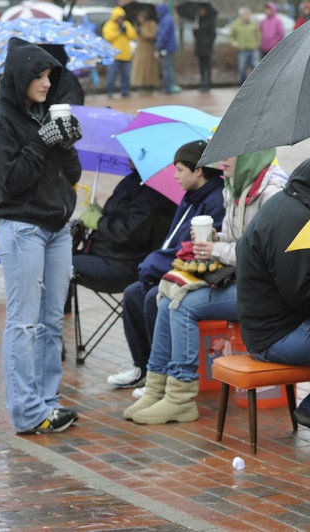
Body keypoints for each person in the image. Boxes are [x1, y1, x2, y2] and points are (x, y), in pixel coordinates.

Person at [123, 148, 288, 424]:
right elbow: (238, 238)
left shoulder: (271, 193)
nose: (222, 161)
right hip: (239, 279)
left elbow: (259, 256)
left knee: (181, 305)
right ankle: (156, 388)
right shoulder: (235, 186)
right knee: (167, 294)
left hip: (263, 291)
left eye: (230, 154)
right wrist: (216, 236)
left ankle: (180, 397)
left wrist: (215, 248)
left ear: (248, 155)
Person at [0, 37, 83, 434]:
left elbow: (69, 176)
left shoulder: (44, 116)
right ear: (19, 78)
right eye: (37, 75)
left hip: (57, 229)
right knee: (23, 322)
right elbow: (13, 181)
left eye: (49, 76)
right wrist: (42, 142)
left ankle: (47, 402)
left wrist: (67, 142)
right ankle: (26, 411)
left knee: (51, 322)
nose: (45, 82)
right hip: (22, 228)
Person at [235, 152, 310, 435]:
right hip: (277, 335)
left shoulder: (292, 204)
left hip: (276, 326)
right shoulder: (294, 220)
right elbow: (305, 293)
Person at [108, 141, 224, 390]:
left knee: (152, 297)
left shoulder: (215, 200)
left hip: (202, 273)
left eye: (180, 169)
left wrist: (153, 264)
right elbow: (173, 241)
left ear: (198, 171)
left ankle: (162, 373)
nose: (175, 175)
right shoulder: (191, 197)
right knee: (132, 294)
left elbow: (192, 249)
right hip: (174, 267)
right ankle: (144, 367)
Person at [72, 165, 176, 293]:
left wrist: (99, 222)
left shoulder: (151, 190)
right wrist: (102, 213)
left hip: (121, 265)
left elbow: (132, 231)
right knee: (58, 255)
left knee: (58, 264)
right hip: (106, 253)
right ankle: (61, 312)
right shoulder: (135, 179)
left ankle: (60, 313)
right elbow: (124, 215)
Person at [102, 6, 137, 98]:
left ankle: (125, 91)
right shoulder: (109, 25)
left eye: (122, 17)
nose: (120, 19)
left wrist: (126, 31)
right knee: (112, 74)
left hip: (126, 55)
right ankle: (110, 92)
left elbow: (133, 35)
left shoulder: (126, 24)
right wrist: (118, 32)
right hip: (114, 55)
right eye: (119, 17)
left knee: (126, 75)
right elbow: (107, 37)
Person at [131, 10, 159, 94]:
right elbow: (134, 36)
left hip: (148, 49)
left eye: (141, 17)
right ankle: (140, 84)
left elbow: (152, 35)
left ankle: (149, 84)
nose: (140, 19)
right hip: (140, 49)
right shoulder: (138, 25)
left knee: (149, 68)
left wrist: (142, 33)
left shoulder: (151, 24)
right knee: (140, 68)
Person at [230, 7, 260, 86]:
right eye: (246, 14)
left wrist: (257, 43)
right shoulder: (236, 24)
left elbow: (258, 34)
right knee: (242, 69)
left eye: (249, 14)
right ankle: (242, 86)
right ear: (242, 15)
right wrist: (233, 42)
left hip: (253, 49)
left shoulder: (253, 23)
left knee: (256, 67)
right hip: (242, 50)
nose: (248, 16)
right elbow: (231, 36)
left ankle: (256, 85)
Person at [155, 3, 178, 95]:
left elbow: (163, 34)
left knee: (167, 69)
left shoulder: (166, 20)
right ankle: (167, 88)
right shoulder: (166, 19)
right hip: (168, 47)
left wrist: (160, 45)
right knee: (168, 68)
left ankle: (167, 89)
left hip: (167, 48)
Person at [193, 5, 217, 92]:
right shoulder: (198, 21)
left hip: (207, 48)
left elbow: (213, 35)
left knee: (207, 66)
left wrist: (207, 43)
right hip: (199, 48)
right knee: (201, 67)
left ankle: (208, 83)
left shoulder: (210, 21)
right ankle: (202, 83)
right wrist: (195, 27)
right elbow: (195, 35)